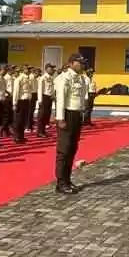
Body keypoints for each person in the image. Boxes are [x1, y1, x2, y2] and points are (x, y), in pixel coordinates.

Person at [53, 54, 89, 194]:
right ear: (72, 63)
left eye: (83, 63)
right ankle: (60, 182)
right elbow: (60, 99)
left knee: (73, 148)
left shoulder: (80, 77)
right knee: (64, 149)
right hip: (67, 114)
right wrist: (60, 118)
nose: (82, 65)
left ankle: (67, 179)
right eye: (79, 63)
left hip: (76, 114)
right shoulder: (64, 78)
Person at [12, 66, 32, 144]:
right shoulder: (19, 79)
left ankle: (21, 136)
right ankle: (16, 137)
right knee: (18, 120)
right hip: (20, 101)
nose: (29, 70)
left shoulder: (28, 78)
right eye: (28, 69)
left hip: (26, 101)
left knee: (23, 119)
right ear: (23, 70)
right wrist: (14, 103)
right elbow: (16, 92)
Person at [36, 64, 57, 139]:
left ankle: (43, 130)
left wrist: (53, 95)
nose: (52, 70)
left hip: (49, 97)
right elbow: (40, 89)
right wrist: (40, 100)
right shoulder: (43, 78)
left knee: (47, 115)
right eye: (51, 68)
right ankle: (39, 132)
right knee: (42, 115)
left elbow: (52, 89)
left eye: (52, 68)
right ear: (46, 69)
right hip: (44, 97)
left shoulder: (51, 78)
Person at [26, 66, 40, 133]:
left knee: (32, 111)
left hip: (34, 94)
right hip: (31, 95)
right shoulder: (30, 78)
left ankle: (30, 125)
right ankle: (28, 127)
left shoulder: (35, 78)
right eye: (38, 73)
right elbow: (28, 88)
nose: (39, 74)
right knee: (29, 111)